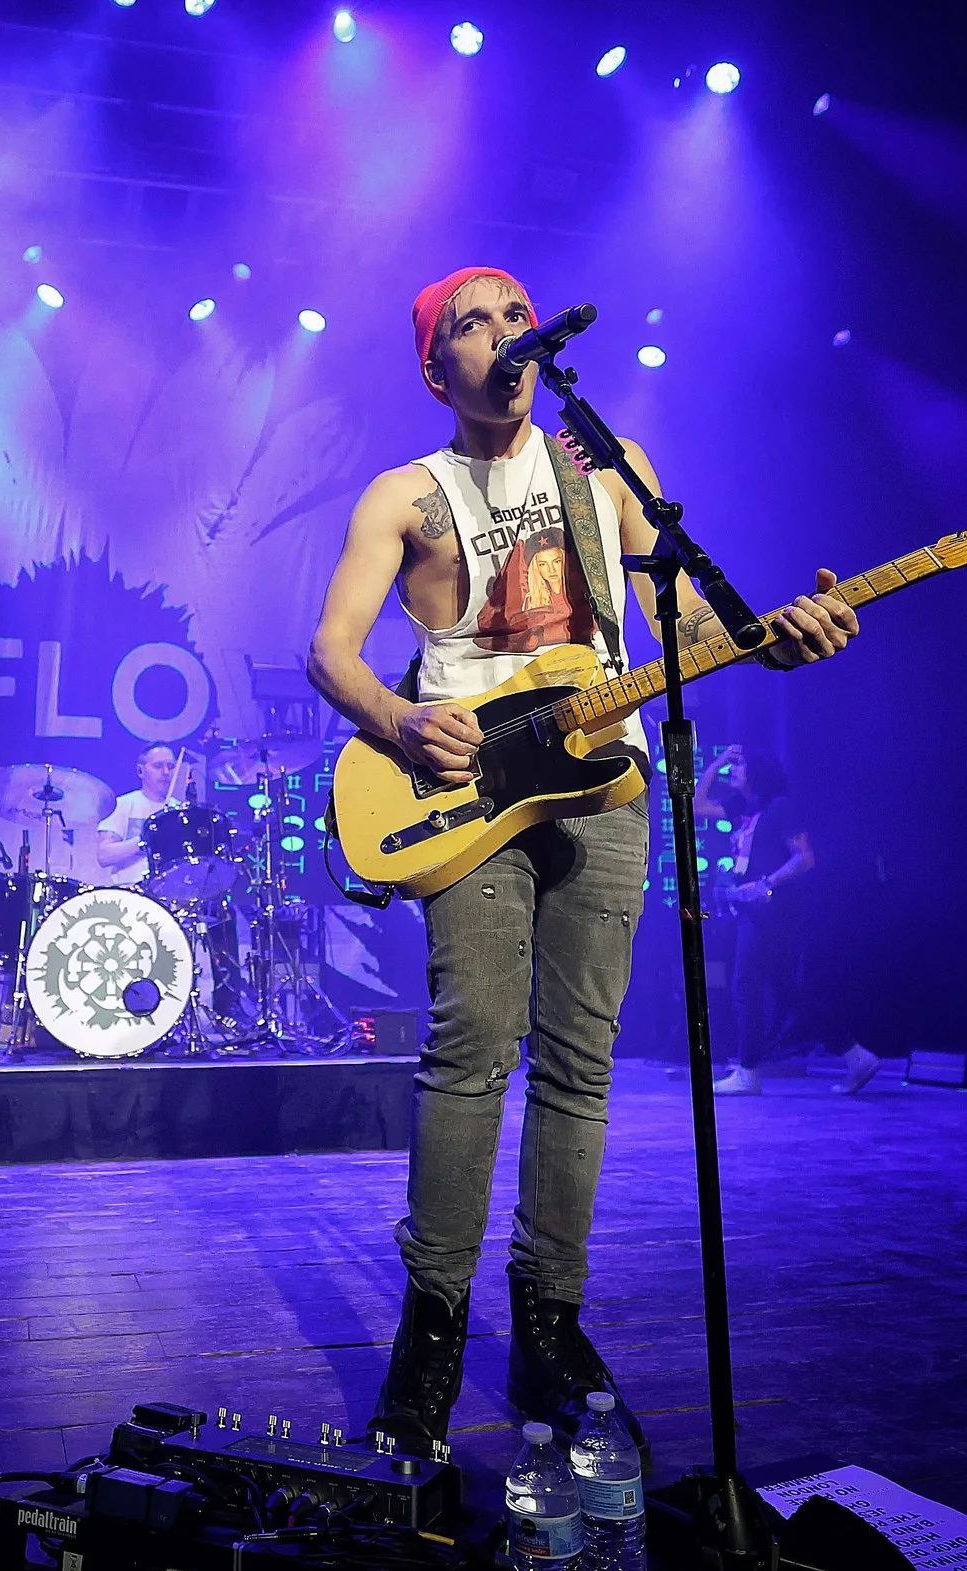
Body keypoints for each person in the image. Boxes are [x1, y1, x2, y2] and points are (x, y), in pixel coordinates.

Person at [305, 266, 861, 1460]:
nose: (503, 334)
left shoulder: (607, 471)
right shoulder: (404, 493)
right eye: (472, 324)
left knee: (580, 1062)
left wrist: (767, 639)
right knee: (470, 1050)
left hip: (607, 781)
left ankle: (549, 1321)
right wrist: (400, 720)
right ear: (435, 369)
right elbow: (331, 652)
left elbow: (685, 627)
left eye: (516, 314)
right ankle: (431, 1331)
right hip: (465, 790)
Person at [695, 745, 878, 1097]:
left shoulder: (780, 808)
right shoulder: (741, 807)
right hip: (755, 910)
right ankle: (857, 1056)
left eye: (741, 766)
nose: (734, 770)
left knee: (745, 984)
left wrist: (765, 884)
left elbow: (805, 858)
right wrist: (717, 763)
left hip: (774, 910)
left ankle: (748, 1072)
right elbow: (698, 806)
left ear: (758, 773)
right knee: (787, 991)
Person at [93, 744, 184, 888]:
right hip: (129, 891)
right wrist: (145, 840)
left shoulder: (179, 811)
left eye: (170, 766)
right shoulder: (122, 804)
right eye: (158, 766)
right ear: (140, 771)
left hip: (170, 892)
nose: (166, 772)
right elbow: (104, 856)